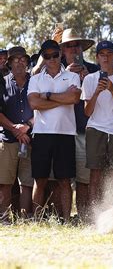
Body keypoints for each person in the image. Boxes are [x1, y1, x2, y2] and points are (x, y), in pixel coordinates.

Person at [27, 40, 81, 222]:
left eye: (54, 55)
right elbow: (34, 103)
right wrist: (62, 98)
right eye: (47, 56)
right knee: (39, 180)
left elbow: (74, 98)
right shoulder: (35, 79)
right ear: (43, 57)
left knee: (65, 180)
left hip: (65, 134)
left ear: (61, 54)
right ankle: (36, 219)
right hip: (41, 134)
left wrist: (47, 95)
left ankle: (66, 220)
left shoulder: (72, 76)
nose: (51, 59)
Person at [81, 41, 113, 207]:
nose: (106, 57)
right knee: (95, 174)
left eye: (109, 54)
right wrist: (96, 91)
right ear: (97, 58)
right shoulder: (89, 79)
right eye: (102, 54)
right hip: (96, 128)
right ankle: (94, 214)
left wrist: (112, 90)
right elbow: (87, 112)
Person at [58, 28, 97, 221]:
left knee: (84, 179)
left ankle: (83, 217)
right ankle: (62, 217)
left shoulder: (94, 70)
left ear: (82, 49)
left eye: (77, 45)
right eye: (69, 46)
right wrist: (65, 75)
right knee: (62, 179)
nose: (74, 49)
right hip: (61, 132)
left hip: (84, 130)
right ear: (63, 50)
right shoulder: (55, 71)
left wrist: (87, 78)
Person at [0, 47, 34, 219]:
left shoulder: (35, 81)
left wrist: (26, 127)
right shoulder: (2, 82)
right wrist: (15, 128)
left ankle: (25, 218)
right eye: (16, 59)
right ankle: (4, 218)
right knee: (5, 182)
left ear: (27, 62)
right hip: (7, 139)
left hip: (30, 138)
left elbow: (41, 108)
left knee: (27, 183)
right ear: (9, 63)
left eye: (23, 59)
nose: (20, 62)